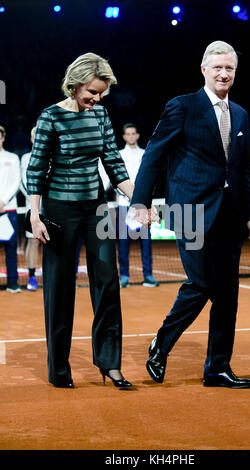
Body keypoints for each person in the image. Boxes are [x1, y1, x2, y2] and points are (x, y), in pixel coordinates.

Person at [130, 41, 250, 388]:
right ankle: (162, 343)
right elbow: (153, 156)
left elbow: (244, 171)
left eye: (229, 68)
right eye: (217, 67)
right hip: (190, 212)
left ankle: (217, 367)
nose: (223, 73)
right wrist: (140, 203)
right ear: (204, 70)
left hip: (231, 217)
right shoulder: (182, 107)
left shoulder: (242, 115)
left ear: (235, 72)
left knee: (227, 295)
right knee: (201, 283)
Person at [26, 52, 134, 389]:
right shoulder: (50, 117)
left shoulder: (100, 115)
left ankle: (110, 363)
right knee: (59, 291)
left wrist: (138, 196)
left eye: (102, 93)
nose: (98, 98)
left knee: (108, 283)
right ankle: (59, 368)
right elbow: (37, 168)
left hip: (96, 209)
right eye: (92, 91)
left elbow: (114, 163)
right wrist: (34, 214)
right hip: (58, 210)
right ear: (74, 85)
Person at [117, 123, 159, 288]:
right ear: (124, 137)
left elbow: (149, 179)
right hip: (123, 205)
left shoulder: (145, 154)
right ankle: (124, 277)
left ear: (138, 135)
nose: (131, 136)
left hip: (143, 206)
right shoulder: (119, 155)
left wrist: (143, 198)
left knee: (145, 242)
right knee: (123, 243)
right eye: (128, 133)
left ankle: (148, 275)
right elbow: (116, 180)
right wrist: (127, 195)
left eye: (134, 133)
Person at [0, 125, 22, 293]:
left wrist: (3, 201)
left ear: (3, 137)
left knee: (11, 248)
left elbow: (16, 182)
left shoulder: (13, 158)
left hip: (9, 209)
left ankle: (13, 282)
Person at [20, 126, 40, 291]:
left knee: (53, 243)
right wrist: (34, 198)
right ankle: (32, 276)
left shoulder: (54, 155)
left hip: (52, 205)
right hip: (32, 206)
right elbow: (23, 182)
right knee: (33, 241)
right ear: (32, 139)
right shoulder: (26, 158)